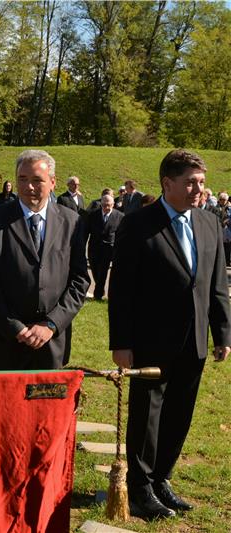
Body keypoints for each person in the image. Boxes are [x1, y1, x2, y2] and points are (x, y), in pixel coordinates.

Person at [109, 149, 231, 521]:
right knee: (147, 416)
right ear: (167, 183)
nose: (199, 189)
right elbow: (122, 289)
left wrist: (223, 332)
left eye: (201, 182)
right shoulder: (138, 223)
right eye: (191, 182)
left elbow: (216, 284)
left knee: (180, 414)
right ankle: (141, 488)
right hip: (149, 341)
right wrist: (121, 343)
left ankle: (162, 479)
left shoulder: (208, 222)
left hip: (193, 341)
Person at [0, 149, 89, 371]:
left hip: (51, 343)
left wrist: (51, 324)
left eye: (37, 180)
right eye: (22, 179)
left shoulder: (72, 222)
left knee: (46, 405)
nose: (29, 187)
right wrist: (15, 327)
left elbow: (79, 280)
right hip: (2, 342)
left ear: (53, 182)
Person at [83, 194, 123, 301]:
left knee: (103, 271)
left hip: (109, 249)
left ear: (113, 204)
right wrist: (81, 245)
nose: (106, 207)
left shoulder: (119, 216)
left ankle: (98, 294)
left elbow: (121, 234)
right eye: (104, 205)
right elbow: (86, 231)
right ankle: (100, 288)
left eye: (109, 205)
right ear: (101, 204)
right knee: (95, 271)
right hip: (93, 248)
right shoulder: (93, 215)